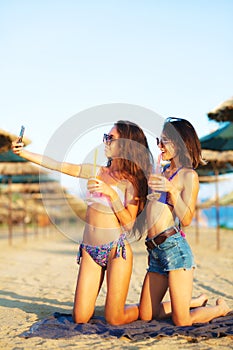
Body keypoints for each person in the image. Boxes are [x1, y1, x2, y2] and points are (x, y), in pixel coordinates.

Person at [12, 120, 153, 325]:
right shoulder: (95, 171)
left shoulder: (131, 182)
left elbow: (130, 224)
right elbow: (58, 165)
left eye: (110, 138)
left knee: (114, 318)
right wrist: (23, 154)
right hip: (89, 250)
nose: (105, 142)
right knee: (80, 318)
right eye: (105, 137)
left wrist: (112, 195)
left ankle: (152, 309)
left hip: (116, 251)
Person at [139, 117, 230, 326]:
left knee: (182, 321)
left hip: (174, 250)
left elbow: (187, 218)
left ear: (179, 143)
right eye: (158, 141)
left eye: (164, 142)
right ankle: (191, 301)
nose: (159, 146)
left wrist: (171, 190)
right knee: (146, 315)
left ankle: (219, 308)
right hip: (154, 251)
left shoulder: (188, 176)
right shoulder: (161, 172)